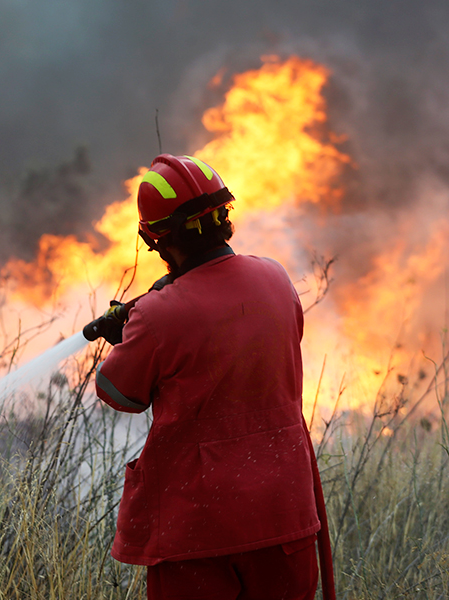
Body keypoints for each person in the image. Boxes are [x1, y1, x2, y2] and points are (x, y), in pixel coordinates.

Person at [93, 154, 335, 600]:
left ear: (156, 239)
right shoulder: (276, 279)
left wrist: (124, 335)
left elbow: (117, 393)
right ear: (225, 217)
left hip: (197, 530)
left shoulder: (157, 314)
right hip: (284, 516)